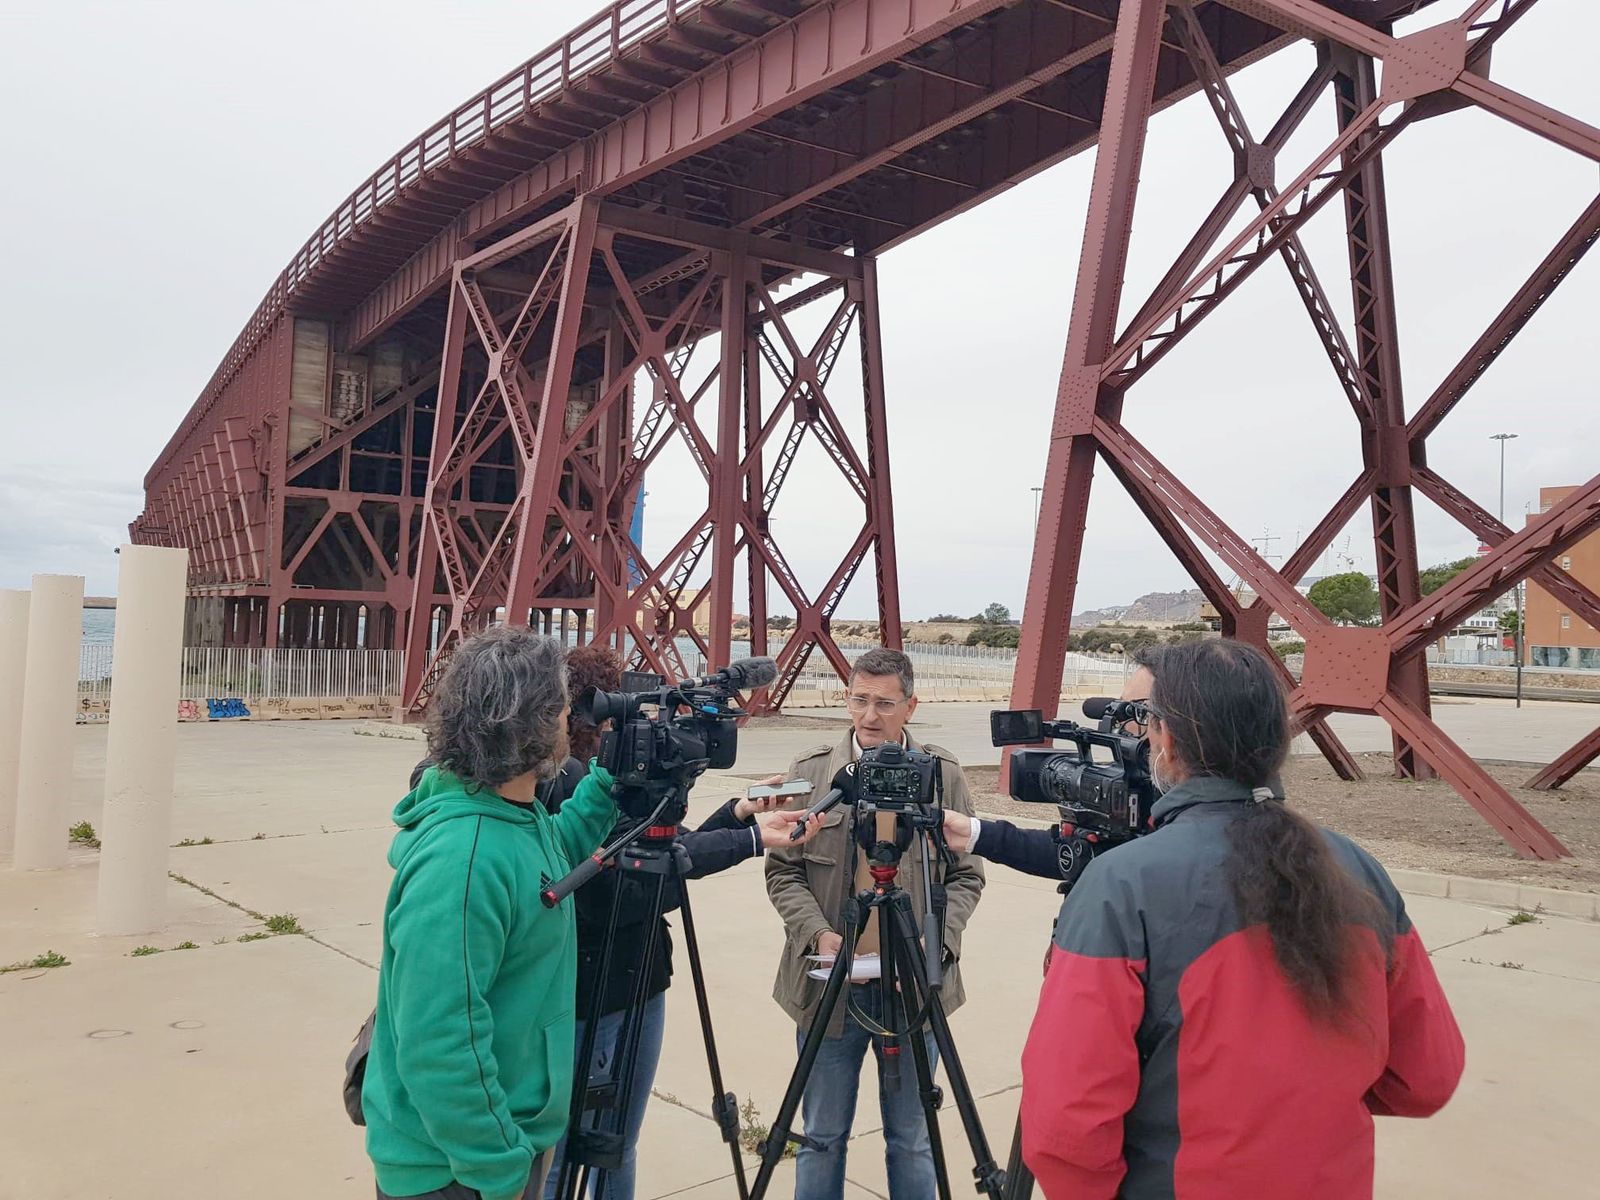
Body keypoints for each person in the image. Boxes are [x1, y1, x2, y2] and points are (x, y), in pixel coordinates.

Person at [1020, 639, 1464, 1199]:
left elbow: (1066, 1128)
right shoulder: (1357, 868)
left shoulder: (1122, 885)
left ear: (1167, 739)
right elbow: (1426, 1078)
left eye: (1145, 722)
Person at [540, 645, 820, 1200]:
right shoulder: (570, 785)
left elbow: (670, 848)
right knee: (565, 1154)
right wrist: (750, 840)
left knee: (617, 1147)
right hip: (592, 992)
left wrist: (740, 814)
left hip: (641, 979)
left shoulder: (622, 779)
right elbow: (643, 876)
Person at [362, 626, 617, 1200]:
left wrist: (609, 779)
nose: (569, 717)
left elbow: (549, 864)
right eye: (561, 705)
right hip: (455, 1172)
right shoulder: (463, 858)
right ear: (532, 720)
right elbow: (438, 1039)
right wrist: (499, 1167)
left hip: (492, 1146)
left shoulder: (510, 814)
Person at [766, 647, 987, 1200]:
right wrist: (818, 934)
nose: (869, 716)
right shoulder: (813, 771)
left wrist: (934, 947)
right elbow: (783, 872)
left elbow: (967, 877)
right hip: (830, 990)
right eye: (859, 700)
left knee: (911, 1140)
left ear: (911, 706)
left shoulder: (943, 775)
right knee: (820, 1137)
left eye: (885, 703)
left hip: (913, 988)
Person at [941, 645, 1164, 878]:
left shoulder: (1178, 819)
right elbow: (1074, 856)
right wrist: (976, 834)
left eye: (1135, 711)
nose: (1120, 724)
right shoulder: (1145, 789)